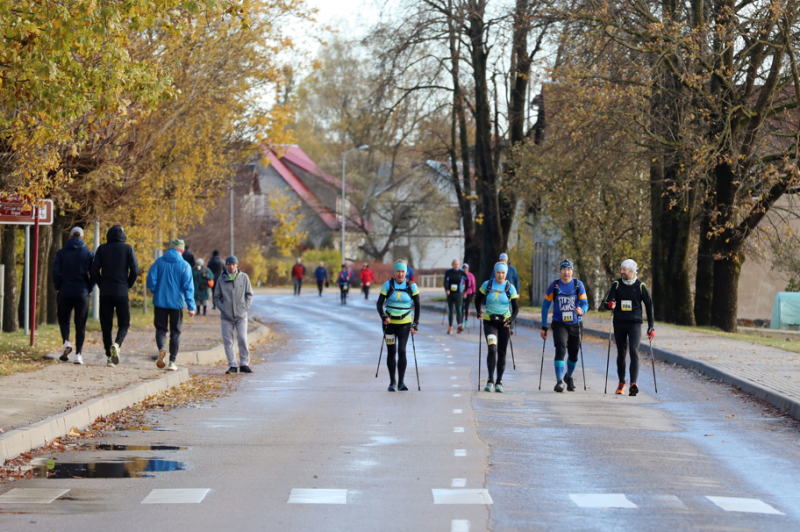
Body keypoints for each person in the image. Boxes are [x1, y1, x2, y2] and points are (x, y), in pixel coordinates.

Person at [91, 225, 139, 367]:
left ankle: (109, 355)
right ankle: (117, 344)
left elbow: (94, 270)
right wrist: (128, 284)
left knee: (106, 324)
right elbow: (135, 269)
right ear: (122, 236)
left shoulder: (102, 249)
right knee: (124, 323)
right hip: (121, 291)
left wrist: (101, 284)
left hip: (106, 292)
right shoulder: (127, 248)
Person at [605, 259, 655, 396]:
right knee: (621, 353)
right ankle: (621, 383)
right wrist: (610, 305)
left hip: (635, 323)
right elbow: (607, 303)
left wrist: (651, 327)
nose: (621, 272)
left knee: (634, 351)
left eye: (624, 270)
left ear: (632, 271)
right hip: (619, 323)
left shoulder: (640, 286)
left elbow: (649, 305)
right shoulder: (616, 284)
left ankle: (633, 383)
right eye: (621, 269)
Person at [147, 239, 196, 371]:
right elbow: (188, 287)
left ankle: (161, 349)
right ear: (182, 250)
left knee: (161, 329)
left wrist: (155, 290)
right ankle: (172, 361)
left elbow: (151, 279)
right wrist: (191, 306)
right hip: (177, 304)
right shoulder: (185, 265)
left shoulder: (159, 261)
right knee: (175, 332)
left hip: (160, 302)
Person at [540, 259, 589, 392]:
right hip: (559, 323)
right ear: (560, 271)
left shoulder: (578, 285)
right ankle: (560, 381)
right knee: (560, 349)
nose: (566, 272)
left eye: (568, 270)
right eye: (563, 269)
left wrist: (582, 310)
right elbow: (545, 306)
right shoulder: (554, 286)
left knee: (574, 354)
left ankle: (569, 376)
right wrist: (544, 326)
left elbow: (585, 303)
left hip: (575, 323)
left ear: (572, 271)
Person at [474, 262, 519, 393]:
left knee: (502, 352)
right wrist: (478, 311)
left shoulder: (510, 287)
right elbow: (477, 300)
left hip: (504, 323)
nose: (500, 275)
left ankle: (499, 381)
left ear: (506, 273)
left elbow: (516, 308)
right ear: (495, 272)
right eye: (498, 272)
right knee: (492, 349)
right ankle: (490, 380)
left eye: (503, 273)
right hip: (490, 322)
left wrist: (511, 319)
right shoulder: (487, 285)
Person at [52, 227, 95, 365]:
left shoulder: (61, 253)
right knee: (80, 323)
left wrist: (58, 287)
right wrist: (89, 288)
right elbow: (94, 273)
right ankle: (78, 355)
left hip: (65, 291)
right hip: (82, 293)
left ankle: (66, 342)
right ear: (82, 238)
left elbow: (55, 272)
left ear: (70, 237)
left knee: (64, 319)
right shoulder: (88, 253)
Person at [377, 260, 420, 392]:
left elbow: (418, 305)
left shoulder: (412, 286)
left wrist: (415, 324)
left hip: (404, 324)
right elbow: (379, 304)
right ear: (394, 272)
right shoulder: (388, 285)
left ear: (406, 272)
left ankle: (401, 382)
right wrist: (383, 317)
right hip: (389, 325)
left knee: (402, 350)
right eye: (398, 271)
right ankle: (392, 382)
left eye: (402, 271)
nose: (400, 274)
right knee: (391, 351)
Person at [214, 255, 254, 374]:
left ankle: (244, 364)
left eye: (233, 264)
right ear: (226, 265)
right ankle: (232, 365)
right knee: (228, 341)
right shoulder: (221, 279)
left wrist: (244, 308)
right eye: (229, 264)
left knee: (242, 338)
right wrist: (223, 308)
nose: (231, 267)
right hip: (226, 316)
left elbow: (249, 295)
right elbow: (216, 297)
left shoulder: (244, 277)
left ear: (237, 265)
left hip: (241, 315)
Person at [444, 259, 467, 334]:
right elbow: (446, 281)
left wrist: (465, 291)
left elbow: (467, 281)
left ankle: (459, 325)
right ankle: (450, 327)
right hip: (450, 293)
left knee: (458, 309)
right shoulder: (448, 272)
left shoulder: (461, 272)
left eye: (458, 264)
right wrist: (447, 289)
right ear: (452, 265)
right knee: (451, 310)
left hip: (458, 293)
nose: (456, 265)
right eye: (455, 264)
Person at [462, 263, 477, 329]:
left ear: (468, 269)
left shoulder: (471, 275)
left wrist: (474, 293)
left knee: (466, 306)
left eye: (466, 268)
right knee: (462, 307)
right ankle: (461, 321)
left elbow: (473, 285)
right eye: (464, 268)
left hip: (469, 292)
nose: (465, 270)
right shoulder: (461, 275)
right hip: (462, 292)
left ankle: (466, 320)